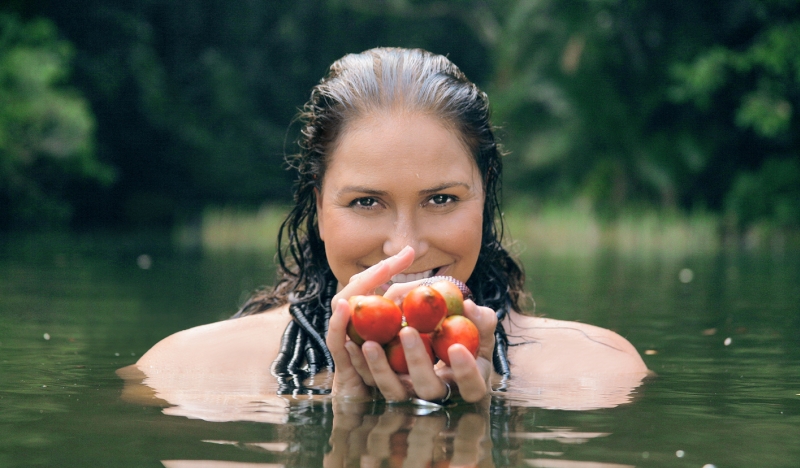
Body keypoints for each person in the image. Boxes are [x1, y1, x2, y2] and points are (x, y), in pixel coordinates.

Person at [134, 47, 648, 408]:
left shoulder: (597, 374)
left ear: (485, 197)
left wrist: (486, 424)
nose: (404, 246)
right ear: (318, 207)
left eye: (442, 199)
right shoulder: (185, 375)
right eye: (366, 202)